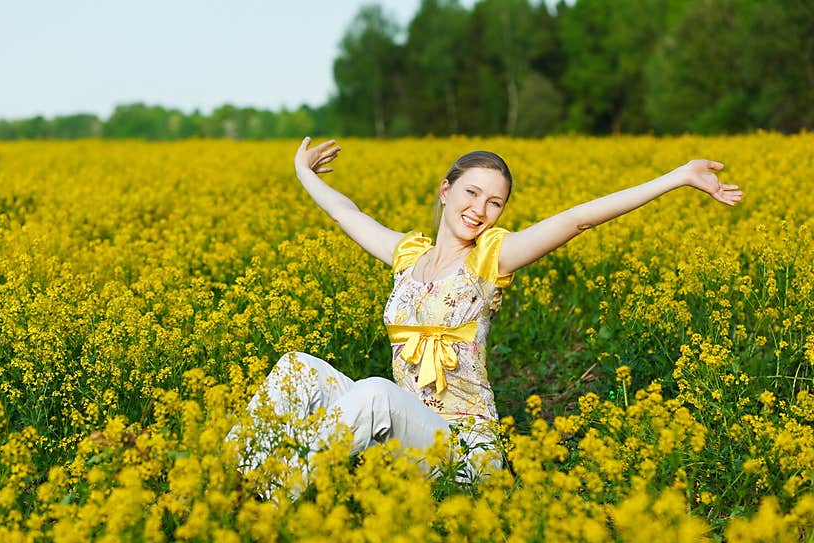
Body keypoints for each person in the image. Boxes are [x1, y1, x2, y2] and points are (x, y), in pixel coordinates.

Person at [226, 136, 743, 489]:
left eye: (495, 203)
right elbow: (348, 212)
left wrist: (677, 177)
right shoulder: (408, 256)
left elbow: (579, 219)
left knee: (376, 394)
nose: (480, 208)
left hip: (462, 450)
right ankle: (228, 475)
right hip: (406, 433)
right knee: (298, 366)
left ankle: (270, 494)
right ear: (446, 191)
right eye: (472, 192)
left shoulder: (489, 260)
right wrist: (301, 171)